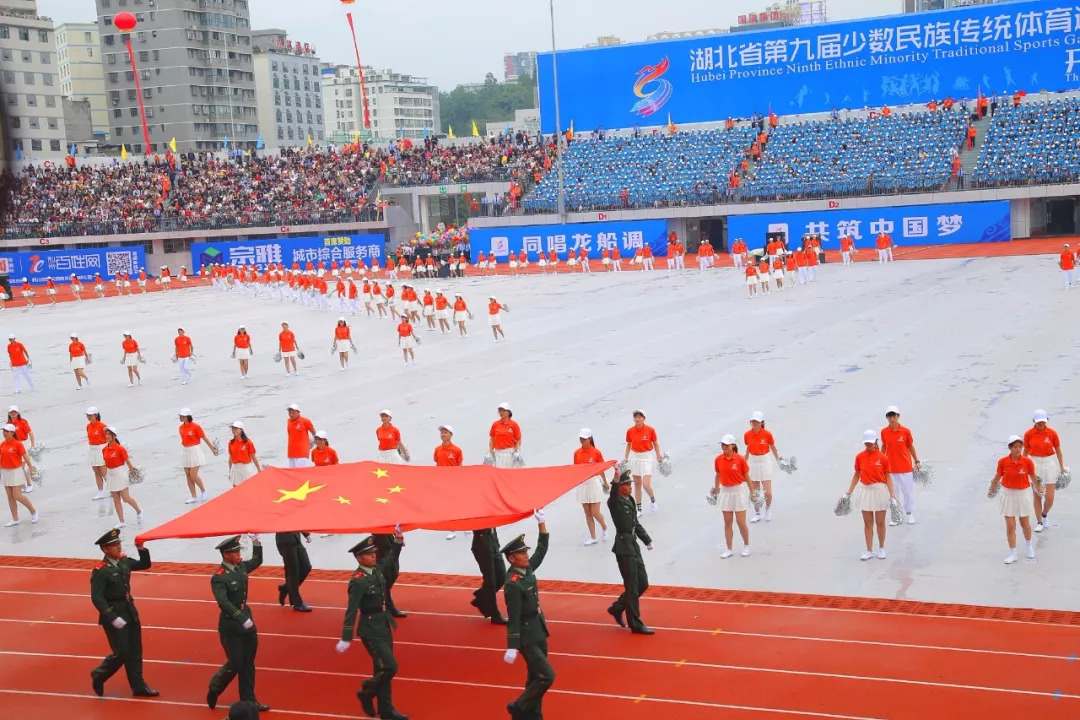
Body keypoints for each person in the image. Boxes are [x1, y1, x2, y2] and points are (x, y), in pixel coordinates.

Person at [336, 533, 408, 720]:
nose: (374, 556)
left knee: (381, 668)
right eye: (369, 554)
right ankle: (367, 692)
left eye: (374, 553)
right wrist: (346, 637)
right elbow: (351, 610)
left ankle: (386, 710)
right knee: (390, 667)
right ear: (359, 558)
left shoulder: (376, 570)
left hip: (384, 624)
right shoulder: (358, 581)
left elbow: (391, 558)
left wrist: (398, 542)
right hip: (370, 629)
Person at [89, 528, 158, 698]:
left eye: (119, 543)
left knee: (135, 650)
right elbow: (97, 598)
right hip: (114, 614)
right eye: (114, 545)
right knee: (121, 652)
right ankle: (100, 674)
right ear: (105, 549)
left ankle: (138, 686)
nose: (118, 547)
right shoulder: (101, 571)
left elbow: (144, 565)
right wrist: (111, 617)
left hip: (129, 610)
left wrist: (141, 548)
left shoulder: (123, 562)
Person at [207, 534, 268, 713]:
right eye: (235, 551)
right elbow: (223, 602)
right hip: (231, 625)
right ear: (226, 555)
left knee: (248, 663)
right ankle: (215, 687)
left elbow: (257, 560)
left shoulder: (240, 567)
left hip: (247, 620)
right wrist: (242, 618)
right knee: (236, 663)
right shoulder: (219, 577)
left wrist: (257, 542)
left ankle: (249, 701)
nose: (239, 554)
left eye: (239, 550)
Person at [502, 512, 553, 720]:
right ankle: (520, 707)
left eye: (526, 552)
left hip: (538, 630)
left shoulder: (527, 569)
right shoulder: (512, 583)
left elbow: (542, 549)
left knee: (535, 677)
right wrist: (512, 646)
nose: (526, 556)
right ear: (512, 558)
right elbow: (513, 616)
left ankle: (534, 715)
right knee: (547, 676)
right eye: (522, 553)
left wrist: (542, 523)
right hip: (526, 636)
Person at [605, 471, 655, 634]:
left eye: (630, 484)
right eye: (626, 484)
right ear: (620, 487)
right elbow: (612, 495)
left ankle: (618, 607)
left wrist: (646, 539)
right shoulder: (615, 502)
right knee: (632, 586)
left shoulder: (630, 500)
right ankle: (636, 624)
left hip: (633, 544)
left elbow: (635, 523)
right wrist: (616, 480)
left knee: (643, 582)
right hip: (623, 547)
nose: (630, 487)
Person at [843, 430, 898, 560]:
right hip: (865, 491)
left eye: (870, 443)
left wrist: (892, 495)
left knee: (880, 522)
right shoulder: (860, 457)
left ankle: (881, 548)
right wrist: (849, 491)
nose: (868, 446)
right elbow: (857, 474)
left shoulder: (883, 458)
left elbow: (888, 477)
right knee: (868, 523)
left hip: (880, 490)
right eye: (866, 444)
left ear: (875, 442)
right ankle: (869, 550)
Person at [989, 435, 1043, 564]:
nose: (1018, 449)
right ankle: (1013, 553)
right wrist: (992, 488)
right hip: (1007, 494)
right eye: (1015, 447)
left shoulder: (1027, 462)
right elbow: (998, 476)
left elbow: (1033, 476)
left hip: (1023, 494)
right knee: (1010, 525)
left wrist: (1039, 488)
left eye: (1020, 447)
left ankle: (1029, 546)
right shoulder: (1003, 462)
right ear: (1010, 448)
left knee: (1024, 523)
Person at [709, 434, 753, 558]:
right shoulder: (718, 459)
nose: (724, 447)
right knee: (727, 522)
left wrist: (753, 492)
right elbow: (718, 475)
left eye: (726, 445)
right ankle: (729, 549)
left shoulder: (740, 459)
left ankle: (746, 545)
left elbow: (747, 477)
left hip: (739, 492)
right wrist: (716, 489)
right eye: (723, 445)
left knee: (741, 522)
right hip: (726, 492)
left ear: (733, 445)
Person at [1025, 409, 1065, 532]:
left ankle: (1044, 514)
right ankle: (1039, 522)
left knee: (1050, 497)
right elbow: (1025, 451)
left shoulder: (1052, 433)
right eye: (1038, 422)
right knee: (1037, 495)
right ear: (1034, 422)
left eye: (1043, 421)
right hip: (1035, 464)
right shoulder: (1029, 434)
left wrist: (1062, 467)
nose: (1041, 424)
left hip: (1049, 463)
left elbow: (1058, 450)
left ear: (1046, 420)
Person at [880, 406, 922, 526]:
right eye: (889, 416)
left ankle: (909, 514)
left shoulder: (905, 431)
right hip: (891, 469)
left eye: (894, 416)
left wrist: (917, 461)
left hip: (905, 468)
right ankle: (897, 516)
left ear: (898, 416)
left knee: (908, 492)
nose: (892, 418)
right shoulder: (884, 432)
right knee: (893, 493)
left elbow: (910, 446)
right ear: (887, 418)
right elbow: (884, 446)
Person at [101, 426, 143, 529]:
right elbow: (105, 463)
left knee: (125, 498)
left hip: (120, 473)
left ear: (113, 436)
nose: (106, 436)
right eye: (105, 434)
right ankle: (121, 521)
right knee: (116, 500)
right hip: (111, 475)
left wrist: (133, 471)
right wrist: (106, 476)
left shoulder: (120, 448)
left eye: (108, 434)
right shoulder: (104, 449)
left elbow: (127, 461)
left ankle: (139, 511)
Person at [744, 411, 781, 523]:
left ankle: (767, 509)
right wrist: (744, 463)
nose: (754, 424)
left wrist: (778, 460)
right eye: (753, 421)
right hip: (753, 462)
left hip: (764, 461)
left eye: (757, 422)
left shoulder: (767, 434)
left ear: (762, 423)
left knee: (767, 492)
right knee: (755, 491)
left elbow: (773, 447)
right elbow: (748, 449)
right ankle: (757, 513)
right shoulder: (747, 435)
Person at [573, 429, 609, 546]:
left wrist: (605, 482)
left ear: (590, 439)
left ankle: (604, 527)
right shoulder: (577, 453)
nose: (582, 440)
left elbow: (602, 469)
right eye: (581, 438)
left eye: (585, 438)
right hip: (583, 484)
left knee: (595, 512)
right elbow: (575, 469)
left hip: (594, 483)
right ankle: (593, 537)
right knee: (587, 513)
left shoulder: (596, 452)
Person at [623, 410, 661, 516]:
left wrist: (658, 456)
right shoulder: (630, 431)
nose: (637, 419)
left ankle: (653, 499)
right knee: (637, 484)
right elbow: (629, 444)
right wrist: (626, 458)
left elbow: (655, 444)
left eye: (640, 417)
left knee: (646, 484)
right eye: (635, 417)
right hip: (635, 457)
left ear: (644, 418)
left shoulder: (650, 430)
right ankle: (639, 509)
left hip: (647, 457)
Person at [179, 408, 218, 504]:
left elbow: (204, 438)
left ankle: (203, 491)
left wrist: (212, 448)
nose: (181, 417)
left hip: (195, 450)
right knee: (188, 475)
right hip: (186, 451)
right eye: (181, 416)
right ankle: (193, 496)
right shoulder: (181, 427)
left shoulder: (196, 426)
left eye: (183, 416)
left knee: (193, 475)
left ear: (188, 417)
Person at [2, 422, 37, 526]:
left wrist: (31, 469)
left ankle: (33, 511)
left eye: (7, 431)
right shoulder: (2, 444)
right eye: (4, 431)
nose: (4, 433)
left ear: (12, 433)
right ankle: (15, 519)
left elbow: (26, 457)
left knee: (17, 495)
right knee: (10, 497)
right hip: (5, 472)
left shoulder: (18, 444)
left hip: (16, 471)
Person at [275, 530, 312, 612]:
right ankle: (297, 603)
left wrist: (306, 534)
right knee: (293, 571)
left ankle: (286, 587)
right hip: (285, 542)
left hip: (296, 539)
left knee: (306, 566)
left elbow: (297, 520)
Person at [373, 531, 407, 619]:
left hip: (390, 553)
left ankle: (383, 604)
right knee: (385, 583)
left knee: (390, 578)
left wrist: (397, 537)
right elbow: (385, 548)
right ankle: (389, 608)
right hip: (385, 555)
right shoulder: (380, 533)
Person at [7, 405, 36, 493]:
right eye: (12, 412)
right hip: (13, 446)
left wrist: (32, 445)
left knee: (21, 467)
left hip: (22, 444)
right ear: (9, 413)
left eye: (15, 412)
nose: (13, 414)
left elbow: (30, 433)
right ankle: (23, 486)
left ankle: (29, 484)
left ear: (18, 413)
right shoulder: (8, 423)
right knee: (17, 467)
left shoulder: (22, 422)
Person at [86, 407, 110, 500]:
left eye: (90, 415)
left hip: (102, 449)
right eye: (88, 415)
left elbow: (108, 438)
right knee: (96, 472)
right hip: (93, 450)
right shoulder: (88, 426)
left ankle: (113, 489)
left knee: (104, 472)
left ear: (96, 415)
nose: (88, 417)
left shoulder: (102, 426)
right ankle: (100, 492)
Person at [227, 421, 261, 487]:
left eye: (236, 428)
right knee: (236, 489)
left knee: (248, 487)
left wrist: (259, 469)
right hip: (235, 468)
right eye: (233, 428)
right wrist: (230, 471)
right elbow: (230, 458)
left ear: (241, 430)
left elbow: (253, 457)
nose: (233, 430)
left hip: (246, 468)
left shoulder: (248, 442)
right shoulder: (231, 443)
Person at [489, 402, 522, 468]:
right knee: (499, 473)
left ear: (509, 412)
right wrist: (491, 452)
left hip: (509, 454)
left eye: (503, 410)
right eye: (500, 410)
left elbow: (518, 439)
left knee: (509, 473)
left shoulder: (514, 424)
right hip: (498, 453)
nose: (501, 412)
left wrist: (516, 451)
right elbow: (492, 439)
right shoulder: (495, 424)